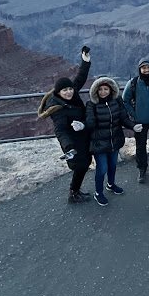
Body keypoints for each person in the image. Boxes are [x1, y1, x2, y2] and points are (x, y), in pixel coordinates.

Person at [38, 47, 92, 203]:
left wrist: (85, 62)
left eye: (69, 89)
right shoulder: (58, 109)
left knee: (85, 163)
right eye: (64, 90)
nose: (68, 92)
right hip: (73, 142)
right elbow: (60, 130)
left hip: (82, 136)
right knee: (81, 165)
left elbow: (80, 79)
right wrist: (68, 147)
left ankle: (75, 191)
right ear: (58, 92)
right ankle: (74, 193)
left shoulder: (71, 96)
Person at [85, 77, 142, 206]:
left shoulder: (117, 101)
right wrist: (83, 126)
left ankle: (111, 184)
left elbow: (123, 118)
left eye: (106, 89)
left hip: (114, 140)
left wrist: (133, 126)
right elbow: (90, 122)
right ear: (96, 91)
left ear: (111, 89)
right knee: (102, 168)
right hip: (99, 142)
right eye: (100, 89)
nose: (103, 92)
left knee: (112, 165)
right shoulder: (91, 104)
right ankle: (98, 193)